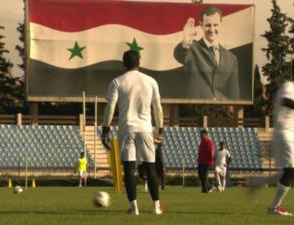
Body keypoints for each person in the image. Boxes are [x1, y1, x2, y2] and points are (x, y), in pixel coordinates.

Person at [247, 60, 294, 216]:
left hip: (288, 133)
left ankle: (258, 182)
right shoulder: (289, 86)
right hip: (284, 133)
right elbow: (286, 101)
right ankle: (274, 207)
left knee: (291, 172)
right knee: (290, 171)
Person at [101, 50, 164, 216]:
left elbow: (110, 108)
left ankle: (134, 208)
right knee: (150, 167)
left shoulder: (116, 82)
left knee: (129, 168)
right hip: (145, 129)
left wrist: (105, 129)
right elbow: (157, 108)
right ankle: (156, 207)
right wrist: (160, 129)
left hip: (127, 128)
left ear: (123, 63)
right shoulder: (151, 81)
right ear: (139, 62)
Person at [173, 6, 239, 99]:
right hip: (196, 109)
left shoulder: (231, 58)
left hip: (221, 110)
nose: (212, 29)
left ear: (221, 24)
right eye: (208, 25)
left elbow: (234, 96)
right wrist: (186, 43)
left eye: (215, 25)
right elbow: (179, 55)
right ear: (201, 25)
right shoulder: (192, 48)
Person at [197, 129, 214, 194]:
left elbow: (211, 153)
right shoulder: (202, 142)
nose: (200, 136)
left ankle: (204, 190)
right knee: (200, 176)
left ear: (205, 135)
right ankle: (209, 187)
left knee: (204, 176)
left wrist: (211, 162)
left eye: (202, 134)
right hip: (200, 161)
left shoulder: (209, 142)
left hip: (206, 162)